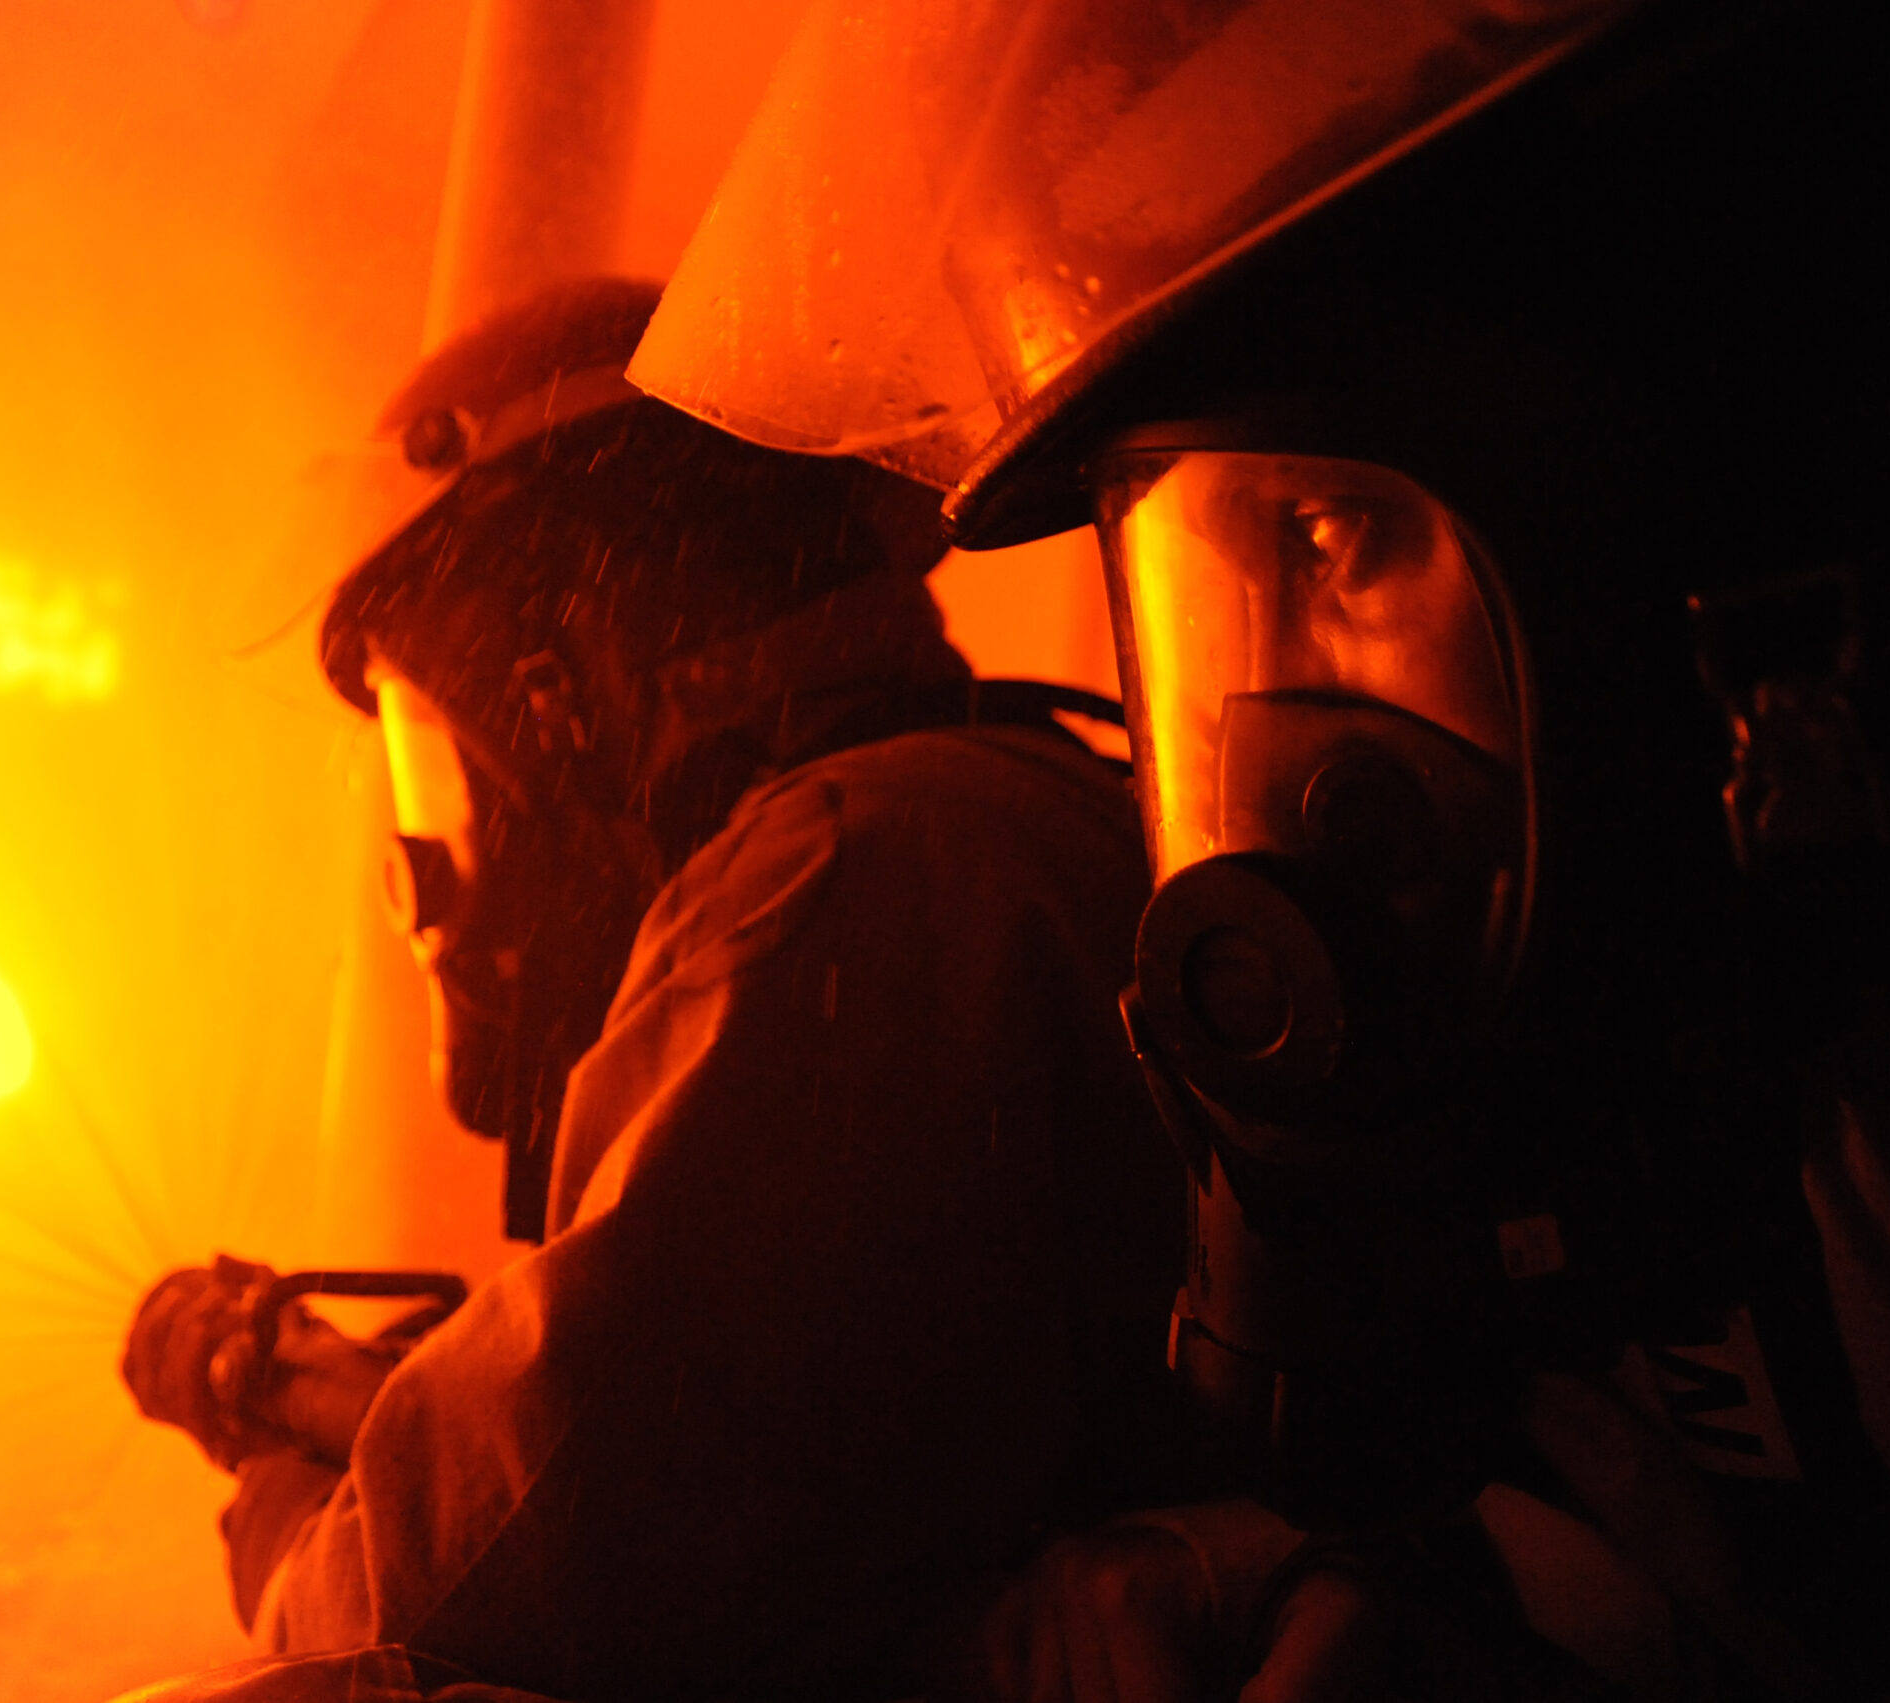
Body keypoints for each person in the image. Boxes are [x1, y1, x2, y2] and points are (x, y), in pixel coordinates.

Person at [629, 0, 1890, 1695]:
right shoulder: (1675, 1118)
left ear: (1700, 527)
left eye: (1335, 537)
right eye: (1212, 596)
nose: (1270, 753)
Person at [117, 278, 1190, 1703]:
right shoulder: (988, 815)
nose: (435, 867)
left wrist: (282, 1503)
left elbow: (483, 1593)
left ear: (554, 681)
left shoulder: (840, 884)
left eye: (436, 747)